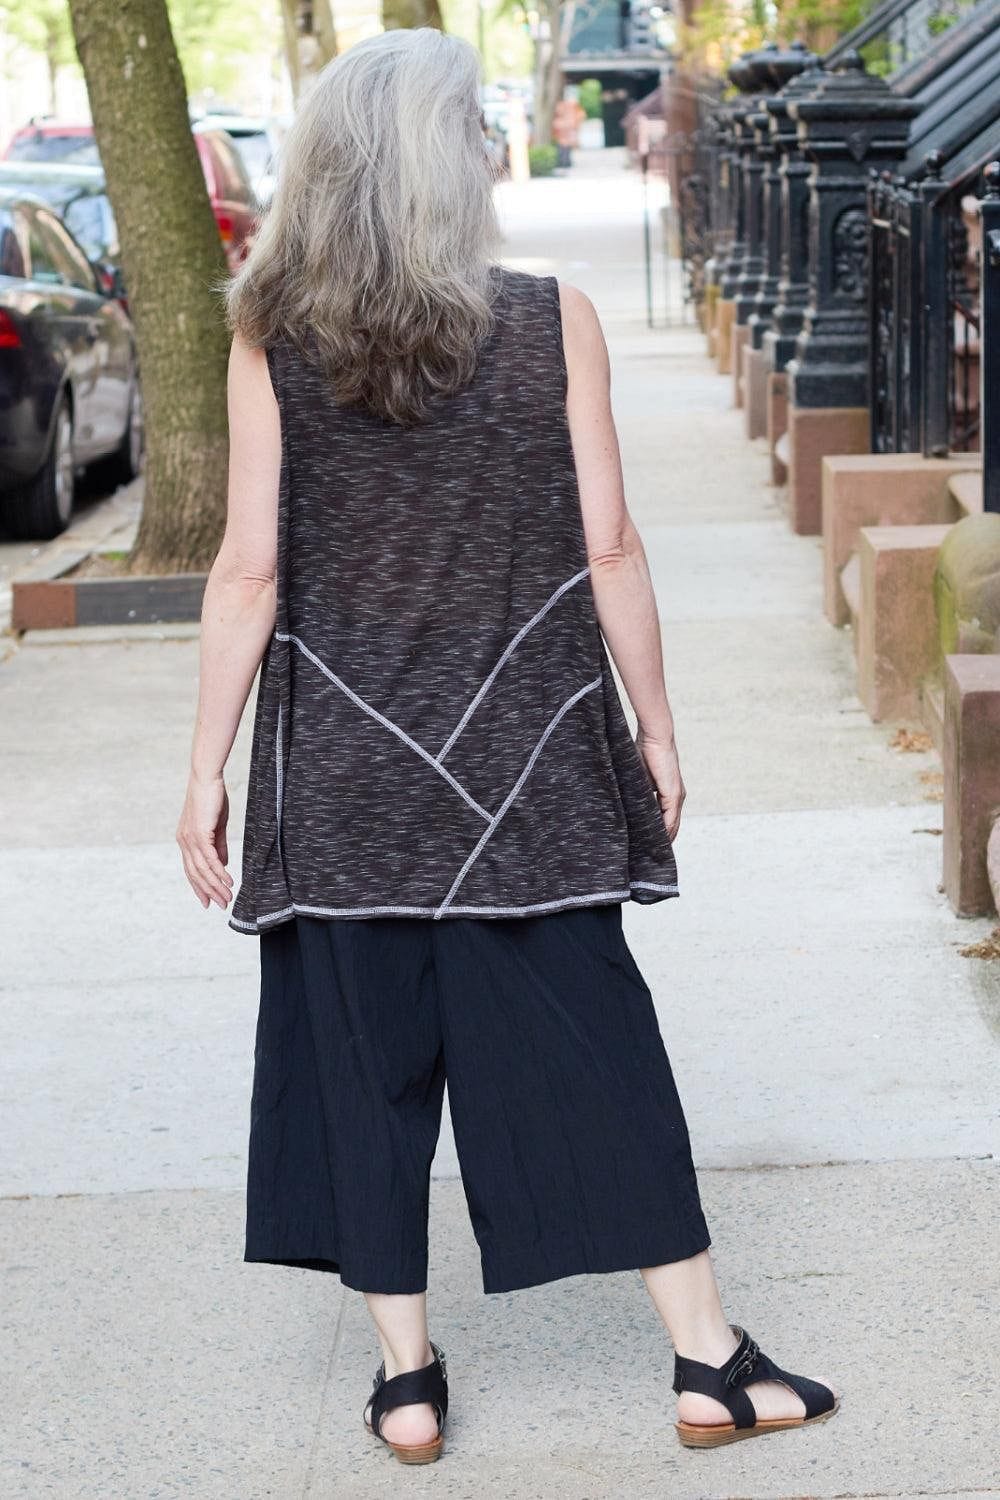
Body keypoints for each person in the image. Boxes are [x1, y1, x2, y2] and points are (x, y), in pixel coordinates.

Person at [176, 27, 839, 1468]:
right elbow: (607, 542)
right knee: (601, 1050)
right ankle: (706, 1360)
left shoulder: (271, 342)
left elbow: (248, 574)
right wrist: (657, 725)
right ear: (452, 159)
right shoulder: (554, 322)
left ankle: (407, 1385)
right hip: (526, 774)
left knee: (366, 1074)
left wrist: (204, 770)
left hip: (343, 777)